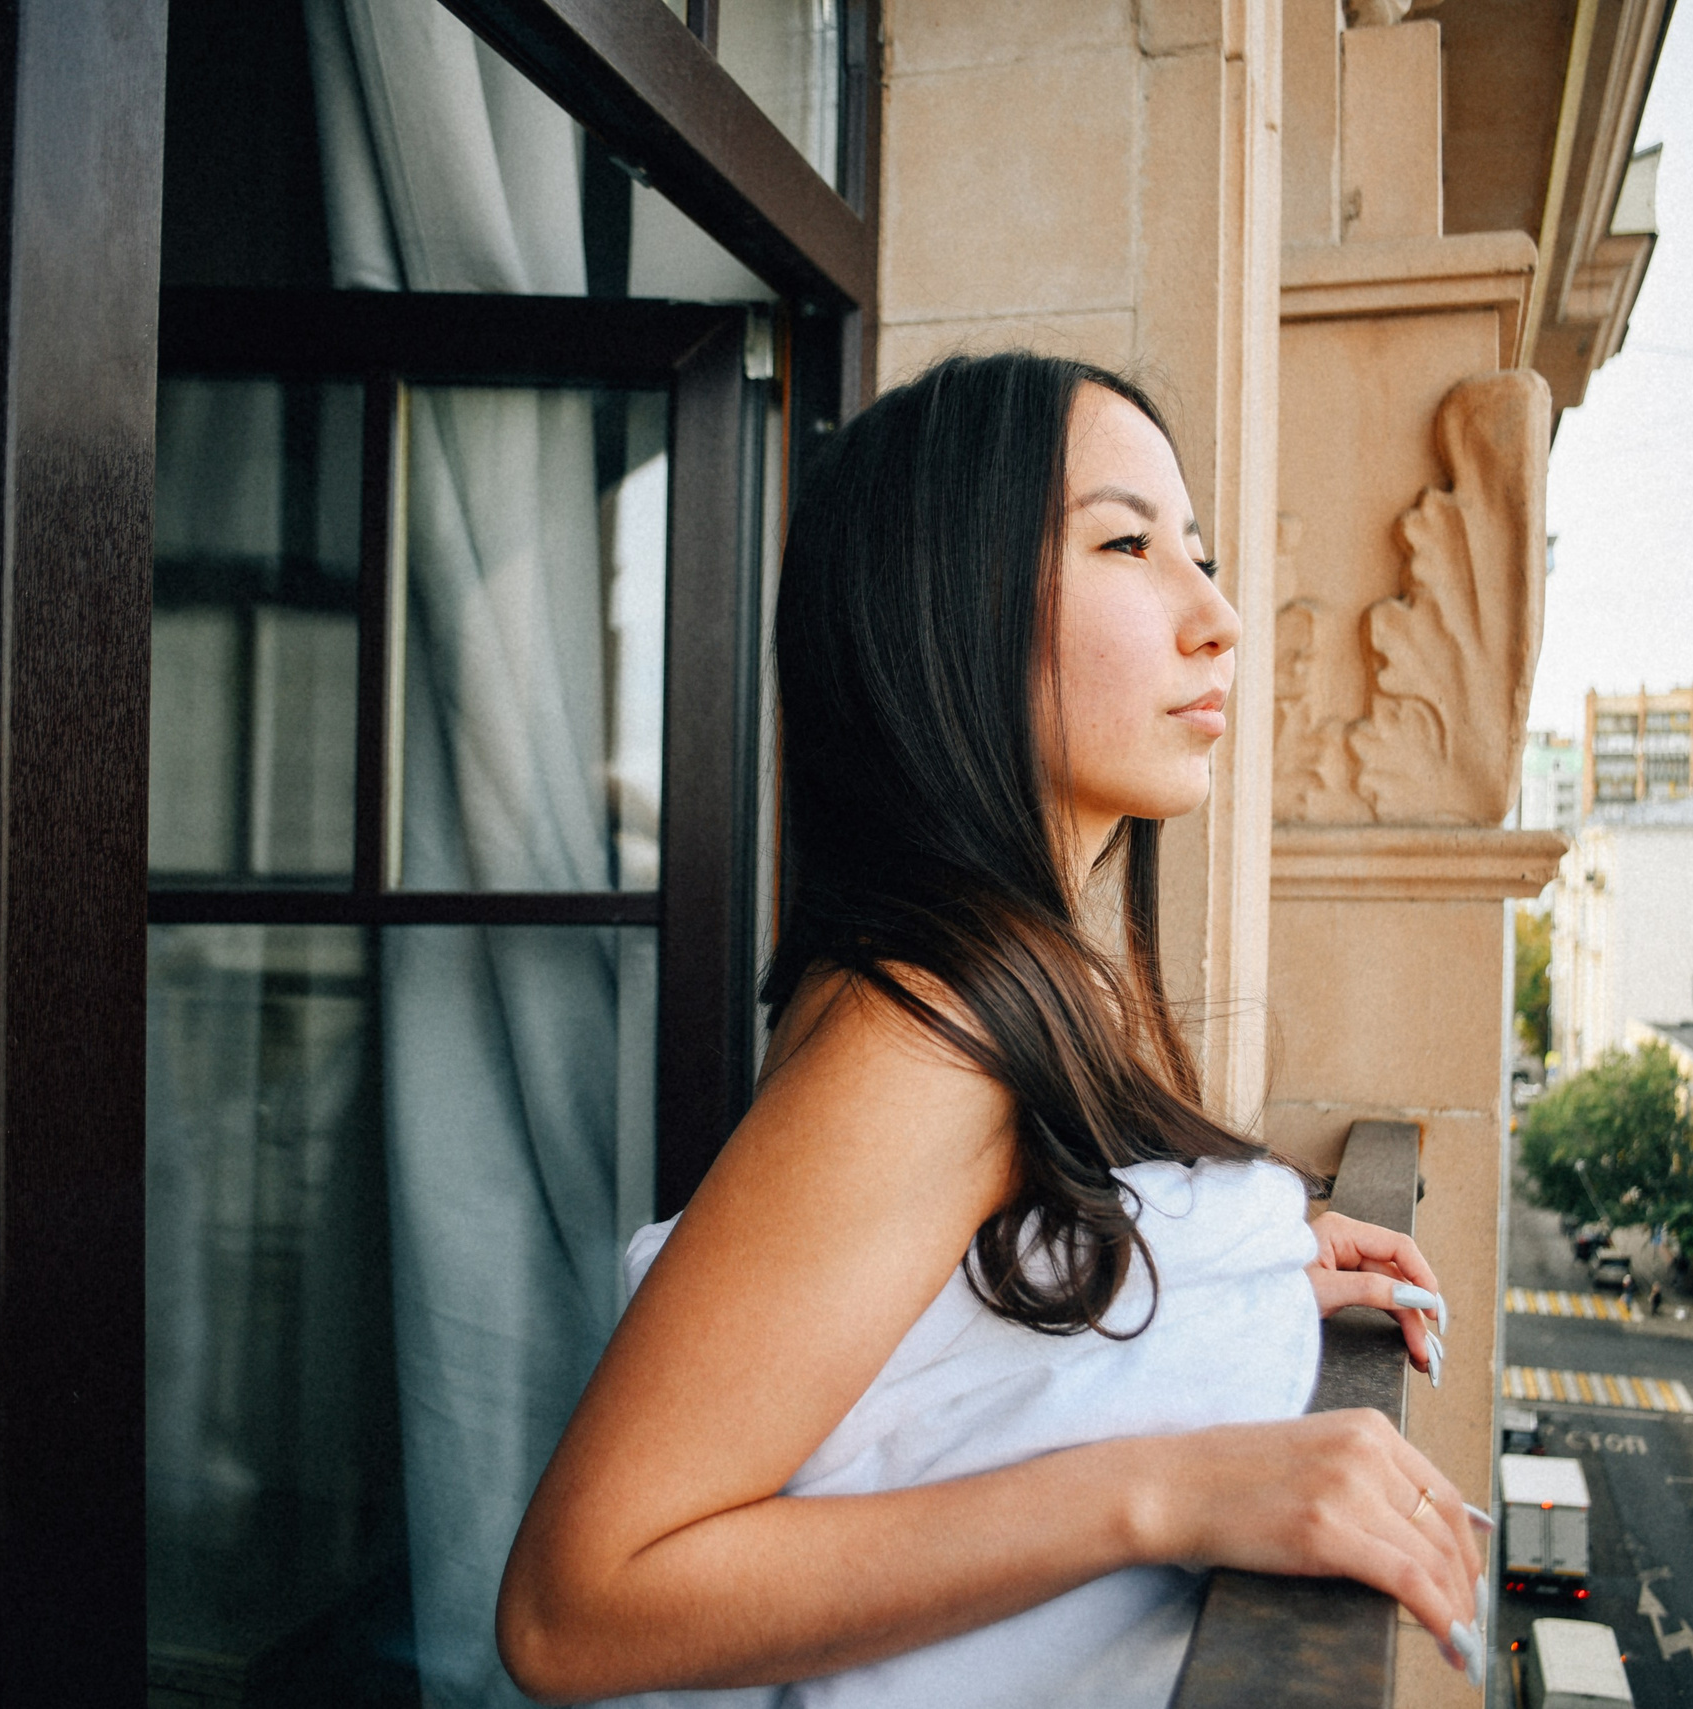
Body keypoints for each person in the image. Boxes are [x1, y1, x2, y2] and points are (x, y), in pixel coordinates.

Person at [495, 353, 1484, 1707]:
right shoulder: (927, 1030)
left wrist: (1212, 1269)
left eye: (1196, 550)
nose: (1220, 617)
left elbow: (932, 1350)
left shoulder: (1016, 982)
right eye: (1128, 544)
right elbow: (577, 1606)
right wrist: (1174, 1489)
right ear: (945, 611)